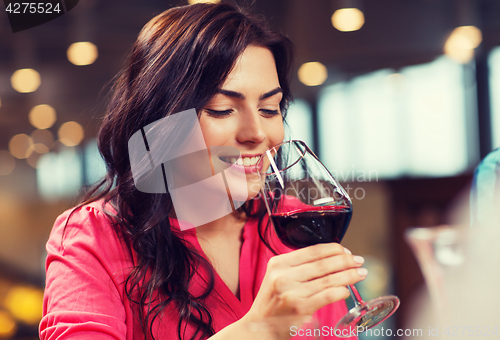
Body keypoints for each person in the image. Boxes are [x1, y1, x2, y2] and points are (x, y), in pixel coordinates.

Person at [39, 2, 367, 340]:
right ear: (162, 121)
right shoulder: (94, 237)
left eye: (269, 109)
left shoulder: (293, 227)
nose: (257, 133)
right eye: (222, 110)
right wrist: (257, 330)